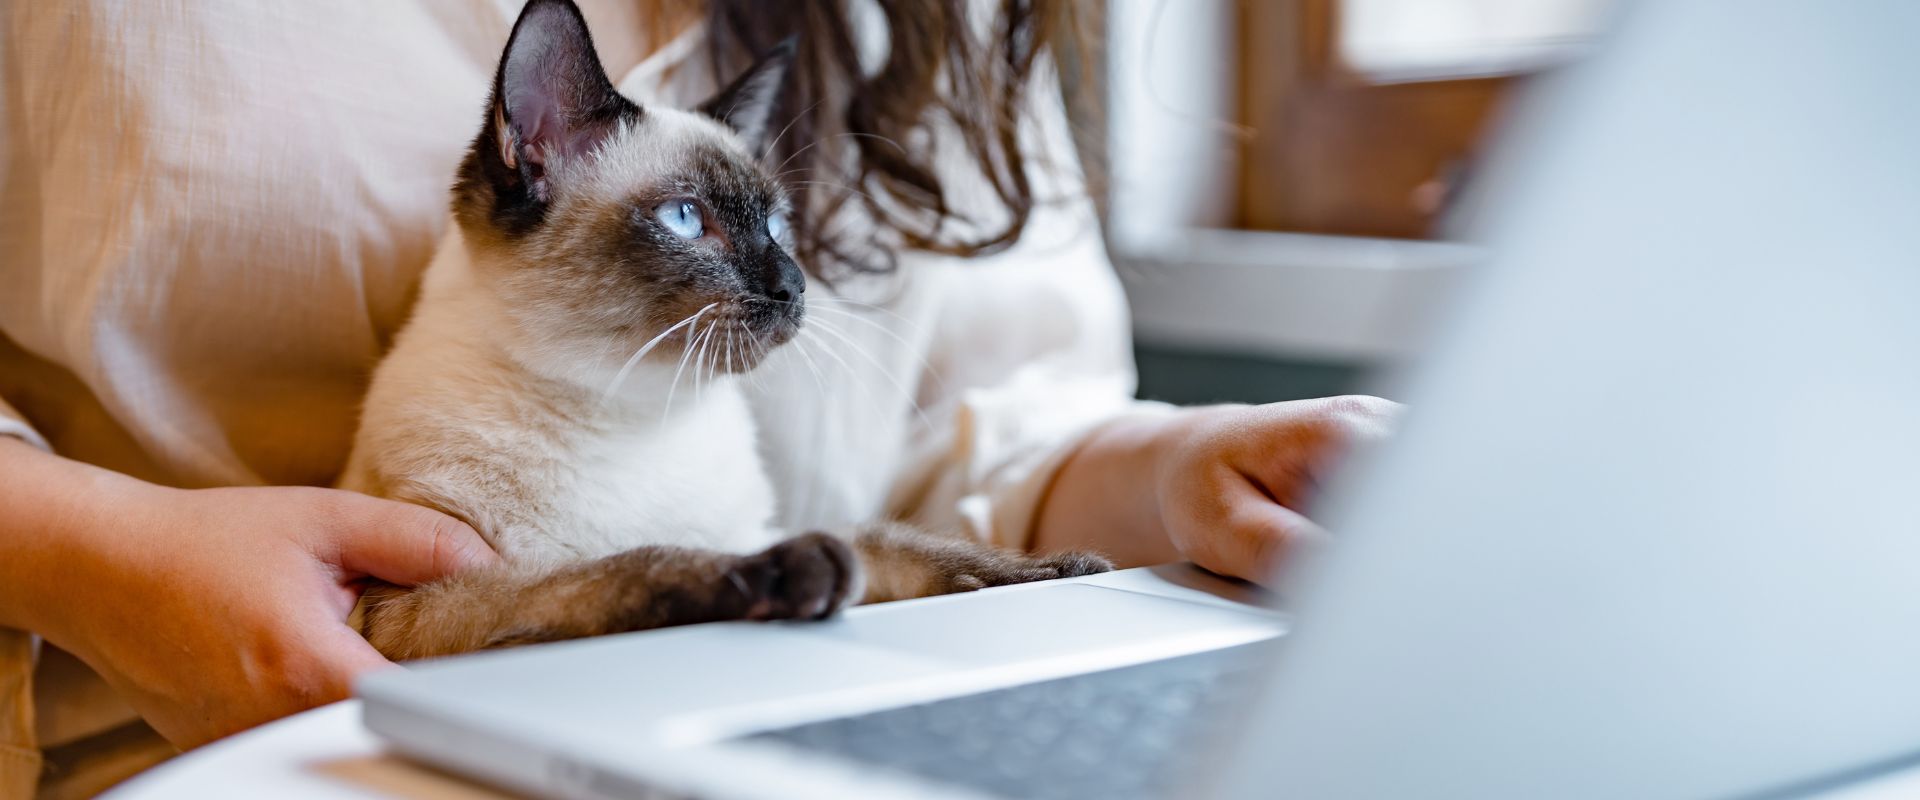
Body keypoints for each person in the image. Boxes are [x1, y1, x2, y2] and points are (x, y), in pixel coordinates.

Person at [0, 1, 1397, 796]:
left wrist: (1184, 466)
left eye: (771, 229)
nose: (779, 282)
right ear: (531, 155)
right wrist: (92, 549)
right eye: (693, 226)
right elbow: (430, 619)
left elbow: (991, 429)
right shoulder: (460, 393)